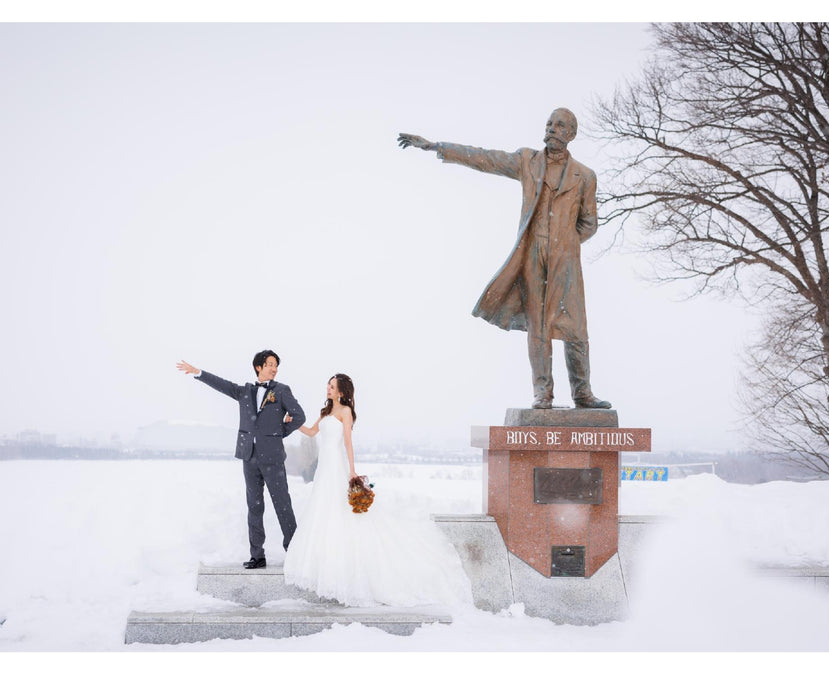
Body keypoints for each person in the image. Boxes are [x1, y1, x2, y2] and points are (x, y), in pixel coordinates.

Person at [397, 108, 611, 410]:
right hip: (532, 258)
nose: (551, 128)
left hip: (566, 262)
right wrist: (436, 146)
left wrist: (566, 243)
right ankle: (543, 392)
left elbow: (589, 223)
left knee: (576, 328)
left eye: (559, 125)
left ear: (571, 133)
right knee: (538, 328)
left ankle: (583, 393)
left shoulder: (585, 176)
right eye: (548, 123)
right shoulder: (527, 161)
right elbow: (485, 158)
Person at [283, 374, 472, 607]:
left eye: (332, 386)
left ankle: (347, 564)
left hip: (337, 465)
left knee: (342, 508)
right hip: (324, 468)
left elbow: (348, 443)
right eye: (328, 385)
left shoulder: (345, 413)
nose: (328, 389)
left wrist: (352, 471)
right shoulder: (325, 413)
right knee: (324, 507)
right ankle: (326, 560)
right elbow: (312, 432)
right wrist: (292, 424)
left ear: (341, 392)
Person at [176, 350, 305, 569]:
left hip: (272, 457)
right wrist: (197, 372)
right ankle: (257, 555)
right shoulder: (244, 391)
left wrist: (278, 432)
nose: (274, 369)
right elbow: (221, 384)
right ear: (259, 367)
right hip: (249, 456)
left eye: (276, 366)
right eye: (270, 364)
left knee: (283, 504)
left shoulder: (282, 391)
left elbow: (299, 416)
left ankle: (294, 553)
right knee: (254, 506)